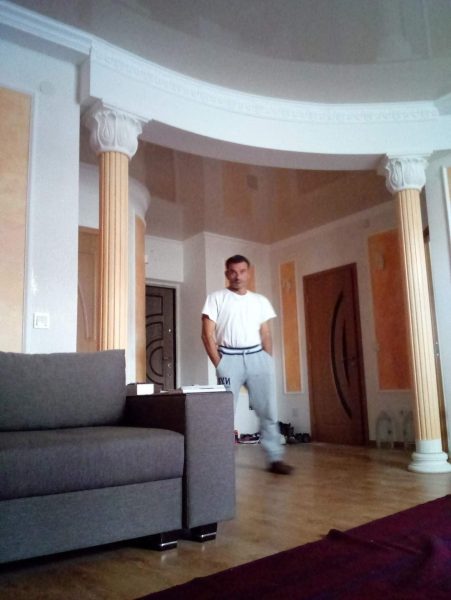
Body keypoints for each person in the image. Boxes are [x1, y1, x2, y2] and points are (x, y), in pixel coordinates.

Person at [201, 254, 293, 475]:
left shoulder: (260, 301)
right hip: (229, 358)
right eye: (233, 272)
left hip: (257, 357)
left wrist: (267, 359)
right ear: (227, 274)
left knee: (267, 410)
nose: (238, 276)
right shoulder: (216, 298)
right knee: (223, 412)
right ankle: (220, 460)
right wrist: (220, 364)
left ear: (248, 273)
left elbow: (266, 333)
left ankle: (275, 459)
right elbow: (207, 335)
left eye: (242, 271)